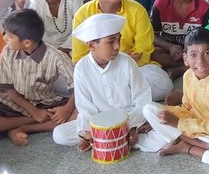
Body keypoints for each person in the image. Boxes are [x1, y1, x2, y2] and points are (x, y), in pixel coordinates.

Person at [139, 28, 209, 170]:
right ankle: (186, 139)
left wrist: (177, 123)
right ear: (185, 59)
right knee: (149, 109)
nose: (200, 61)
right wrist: (161, 120)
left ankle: (187, 146)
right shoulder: (188, 75)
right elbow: (186, 108)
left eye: (206, 53)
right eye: (193, 55)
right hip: (193, 122)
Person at [0, 10, 76, 146]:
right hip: (12, 101)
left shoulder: (56, 56)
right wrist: (35, 113)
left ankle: (23, 128)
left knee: (76, 115)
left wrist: (66, 109)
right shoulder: (7, 51)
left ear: (27, 43)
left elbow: (78, 86)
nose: (4, 39)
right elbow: (8, 89)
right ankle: (33, 121)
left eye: (9, 36)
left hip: (44, 101)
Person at [71, 0, 172, 101]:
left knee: (163, 85)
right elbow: (80, 57)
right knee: (83, 83)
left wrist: (121, 63)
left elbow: (143, 51)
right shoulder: (83, 14)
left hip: (136, 68)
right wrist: (114, 62)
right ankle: (123, 97)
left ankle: (113, 98)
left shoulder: (137, 9)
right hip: (99, 70)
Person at [53, 14, 152, 150]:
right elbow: (85, 108)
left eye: (118, 39)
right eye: (110, 42)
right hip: (99, 122)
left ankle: (113, 139)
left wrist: (132, 126)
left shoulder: (126, 62)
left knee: (158, 125)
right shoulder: (82, 68)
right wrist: (88, 132)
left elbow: (142, 97)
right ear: (91, 45)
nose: (117, 46)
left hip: (129, 118)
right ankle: (114, 139)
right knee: (59, 134)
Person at [150, 0, 209, 79]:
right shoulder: (160, 4)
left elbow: (207, 39)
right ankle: (188, 68)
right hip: (169, 50)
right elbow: (153, 35)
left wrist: (191, 53)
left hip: (195, 51)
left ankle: (181, 69)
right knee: (153, 52)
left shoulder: (204, 7)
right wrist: (170, 47)